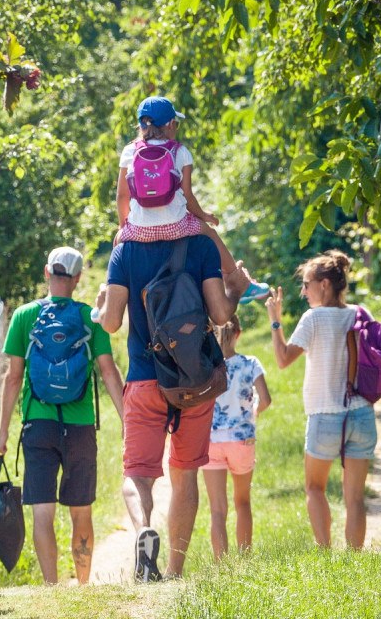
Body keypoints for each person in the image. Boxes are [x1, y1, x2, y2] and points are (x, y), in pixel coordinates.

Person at [95, 235, 252, 581]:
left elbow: (110, 323)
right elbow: (222, 315)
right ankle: (174, 570)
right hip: (194, 380)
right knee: (185, 473)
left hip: (144, 378)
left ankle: (142, 531)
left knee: (137, 473)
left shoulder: (125, 252)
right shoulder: (200, 245)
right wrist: (237, 288)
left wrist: (100, 304)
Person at [0, 247, 126, 585]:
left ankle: (52, 590)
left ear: (46, 273)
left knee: (42, 512)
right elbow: (109, 372)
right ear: (78, 277)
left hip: (38, 425)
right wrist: (128, 421)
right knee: (81, 510)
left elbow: (13, 378)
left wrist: (2, 434)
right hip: (79, 425)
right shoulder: (90, 317)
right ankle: (82, 586)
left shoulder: (24, 316)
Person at [264, 250, 377, 550]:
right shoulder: (360, 313)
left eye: (306, 284)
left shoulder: (313, 318)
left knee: (315, 488)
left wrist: (275, 322)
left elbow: (283, 359)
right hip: (362, 414)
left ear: (324, 284)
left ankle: (326, 556)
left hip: (325, 416)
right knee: (355, 497)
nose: (303, 291)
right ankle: (355, 559)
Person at [115, 96, 269, 304]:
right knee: (210, 233)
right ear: (170, 124)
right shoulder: (181, 152)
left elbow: (122, 195)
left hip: (139, 230)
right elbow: (187, 197)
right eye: (176, 124)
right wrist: (204, 216)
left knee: (117, 244)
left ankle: (109, 296)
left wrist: (123, 226)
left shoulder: (129, 151)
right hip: (176, 226)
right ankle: (237, 280)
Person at [202, 315, 271, 559]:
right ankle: (244, 561)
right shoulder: (251, 363)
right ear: (239, 334)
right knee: (242, 502)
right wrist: (253, 414)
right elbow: (266, 400)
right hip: (242, 439)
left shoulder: (207, 366)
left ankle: (222, 567)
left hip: (212, 441)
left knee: (217, 510)